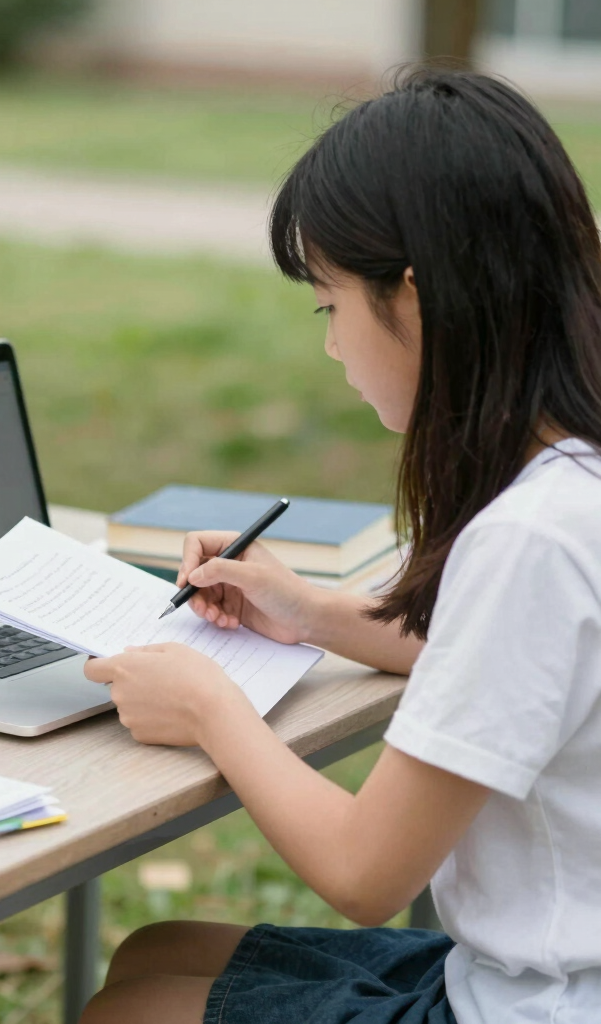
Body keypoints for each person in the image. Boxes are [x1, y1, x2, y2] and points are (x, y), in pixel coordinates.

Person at [81, 67, 601, 1024]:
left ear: (417, 297)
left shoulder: (532, 538)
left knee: (125, 1013)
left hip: (541, 1005)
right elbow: (524, 660)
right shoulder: (576, 477)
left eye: (330, 306)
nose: (331, 348)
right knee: (153, 952)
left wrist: (209, 707)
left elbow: (365, 872)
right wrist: (314, 611)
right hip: (541, 973)